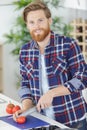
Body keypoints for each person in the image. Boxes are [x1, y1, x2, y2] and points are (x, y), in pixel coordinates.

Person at [13, 0, 87, 130]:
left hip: (72, 121)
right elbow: (25, 84)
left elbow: (82, 78)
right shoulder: (25, 51)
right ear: (27, 25)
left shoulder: (68, 45)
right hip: (43, 122)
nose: (36, 26)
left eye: (40, 20)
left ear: (49, 21)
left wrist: (52, 93)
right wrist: (25, 108)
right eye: (32, 22)